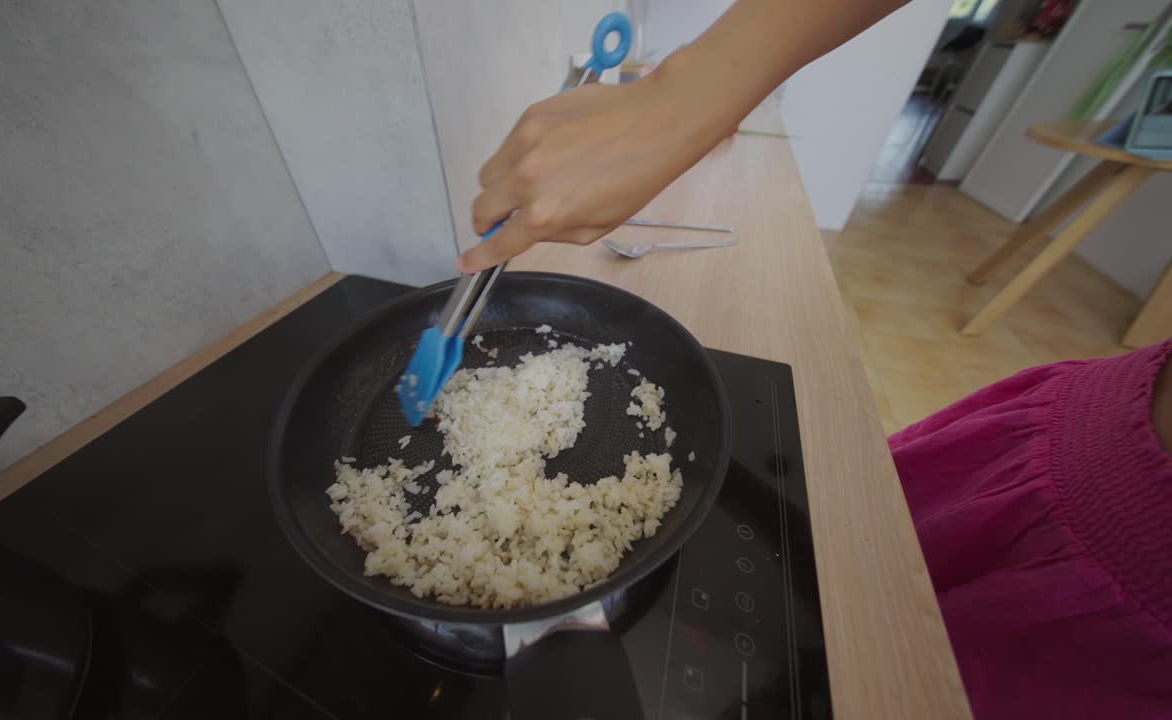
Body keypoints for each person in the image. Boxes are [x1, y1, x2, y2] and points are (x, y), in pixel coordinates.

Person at [464, 2, 1172, 718]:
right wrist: (683, 91)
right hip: (1079, 430)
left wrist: (683, 95)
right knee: (851, 577)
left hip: (1115, 640)